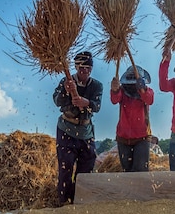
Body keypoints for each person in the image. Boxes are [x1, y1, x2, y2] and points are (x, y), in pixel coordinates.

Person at [52, 51, 103, 205]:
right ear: (76, 67)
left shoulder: (96, 86)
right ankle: (64, 202)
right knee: (65, 166)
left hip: (86, 132)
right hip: (67, 129)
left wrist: (85, 102)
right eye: (81, 68)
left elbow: (97, 106)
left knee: (86, 168)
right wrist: (66, 91)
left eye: (88, 68)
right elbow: (57, 100)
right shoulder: (66, 81)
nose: (84, 71)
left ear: (91, 69)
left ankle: (81, 200)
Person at [110, 65, 154, 172]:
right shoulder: (122, 92)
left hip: (142, 137)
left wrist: (142, 90)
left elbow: (149, 100)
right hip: (123, 138)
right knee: (127, 171)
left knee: (140, 170)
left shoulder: (147, 92)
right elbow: (114, 100)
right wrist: (114, 89)